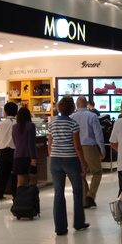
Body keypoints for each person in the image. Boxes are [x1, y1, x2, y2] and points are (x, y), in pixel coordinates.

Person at [48, 96, 89, 235]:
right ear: (72, 108)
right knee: (77, 190)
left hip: (55, 160)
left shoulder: (52, 124)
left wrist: (53, 155)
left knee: (58, 193)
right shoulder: (73, 124)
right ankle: (78, 222)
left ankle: (60, 227)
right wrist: (83, 164)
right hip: (70, 159)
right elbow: (77, 146)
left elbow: (50, 144)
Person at [71, 95, 106, 208]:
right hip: (90, 147)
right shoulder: (92, 116)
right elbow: (98, 133)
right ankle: (90, 195)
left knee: (81, 174)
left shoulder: (72, 117)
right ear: (87, 104)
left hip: (76, 148)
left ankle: (84, 200)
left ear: (77, 104)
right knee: (97, 172)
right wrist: (102, 149)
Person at [0, 101, 17, 209]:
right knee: (15, 175)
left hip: (2, 152)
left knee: (2, 176)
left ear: (5, 112)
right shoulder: (17, 124)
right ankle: (16, 198)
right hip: (15, 152)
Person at [12, 106, 37, 188]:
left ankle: (19, 198)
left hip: (17, 155)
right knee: (32, 179)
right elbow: (31, 143)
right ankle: (29, 198)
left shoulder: (15, 127)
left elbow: (15, 142)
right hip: (28, 156)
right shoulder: (31, 126)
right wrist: (33, 158)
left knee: (20, 179)